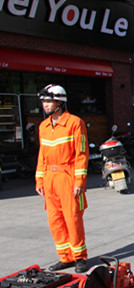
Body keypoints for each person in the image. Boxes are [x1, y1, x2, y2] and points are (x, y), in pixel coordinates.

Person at [35, 84, 89, 273]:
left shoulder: (75, 123)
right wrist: (39, 180)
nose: (45, 105)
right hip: (50, 177)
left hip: (67, 176)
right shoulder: (43, 126)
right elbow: (42, 154)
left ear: (60, 102)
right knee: (55, 219)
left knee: (72, 218)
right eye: (43, 101)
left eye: (49, 101)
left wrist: (79, 182)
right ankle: (65, 257)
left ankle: (79, 257)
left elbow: (81, 154)